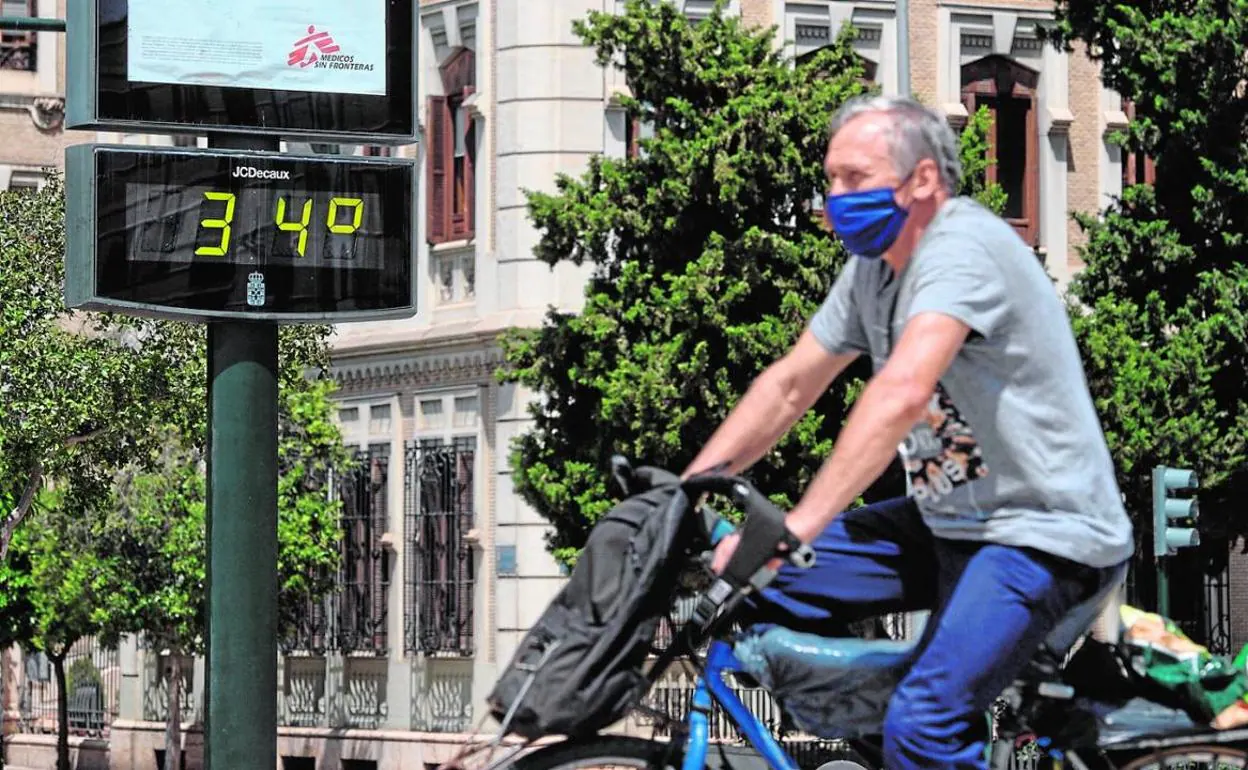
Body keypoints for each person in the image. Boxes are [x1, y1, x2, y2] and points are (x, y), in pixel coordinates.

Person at [682, 94, 1134, 770]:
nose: (835, 196)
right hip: (949, 526)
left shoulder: (964, 249)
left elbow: (900, 393)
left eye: (854, 179)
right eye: (830, 179)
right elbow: (789, 386)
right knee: (757, 580)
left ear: (922, 179)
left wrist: (800, 526)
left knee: (924, 726)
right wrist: (688, 491)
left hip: (1043, 535)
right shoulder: (873, 272)